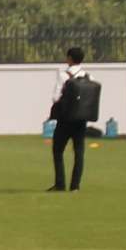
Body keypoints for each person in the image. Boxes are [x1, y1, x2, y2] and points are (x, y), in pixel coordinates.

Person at [49, 46, 92, 193]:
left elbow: (55, 97)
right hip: (81, 119)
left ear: (69, 59)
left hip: (65, 118)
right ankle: (75, 186)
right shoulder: (88, 76)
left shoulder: (63, 75)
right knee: (79, 152)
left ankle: (60, 184)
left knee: (58, 150)